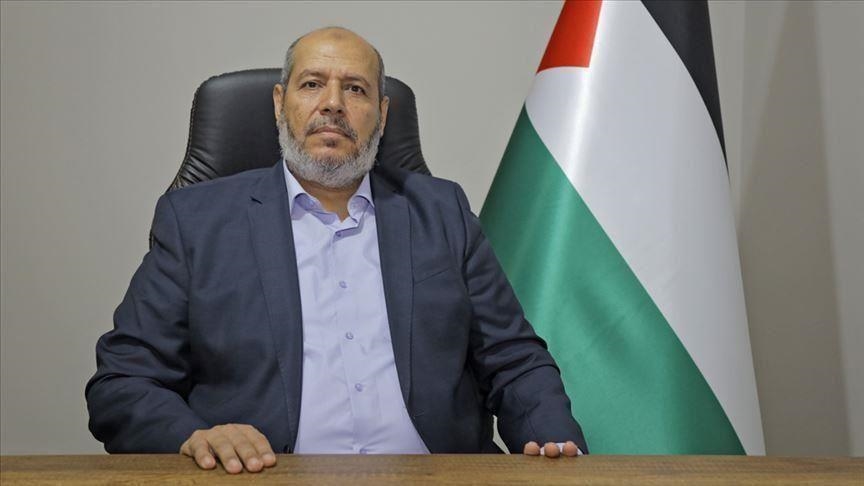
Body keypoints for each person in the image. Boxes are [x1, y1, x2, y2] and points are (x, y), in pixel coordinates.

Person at [86, 27, 587, 474]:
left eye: (355, 88)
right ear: (279, 103)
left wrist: (555, 445)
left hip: (435, 475)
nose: (332, 104)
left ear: (382, 114)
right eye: (311, 84)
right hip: (264, 477)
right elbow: (123, 382)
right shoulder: (197, 222)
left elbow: (513, 359)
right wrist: (195, 436)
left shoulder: (442, 212)